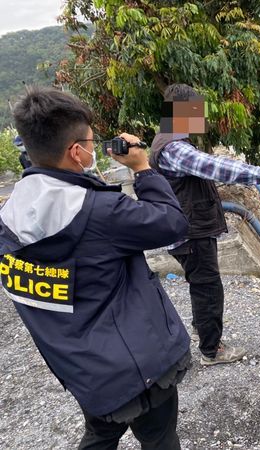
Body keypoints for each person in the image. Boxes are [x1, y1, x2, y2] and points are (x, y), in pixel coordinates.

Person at [0, 87, 191, 449]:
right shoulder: (99, 212)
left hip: (83, 370)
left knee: (101, 434)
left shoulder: (8, 218)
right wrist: (142, 168)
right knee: (159, 438)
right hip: (138, 368)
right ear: (76, 152)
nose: (93, 147)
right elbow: (171, 223)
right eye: (90, 141)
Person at [150, 83, 260, 366]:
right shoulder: (174, 147)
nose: (200, 117)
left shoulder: (168, 140)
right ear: (179, 112)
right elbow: (217, 167)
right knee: (207, 286)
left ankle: (201, 329)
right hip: (190, 232)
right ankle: (211, 350)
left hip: (187, 228)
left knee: (201, 283)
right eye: (196, 111)